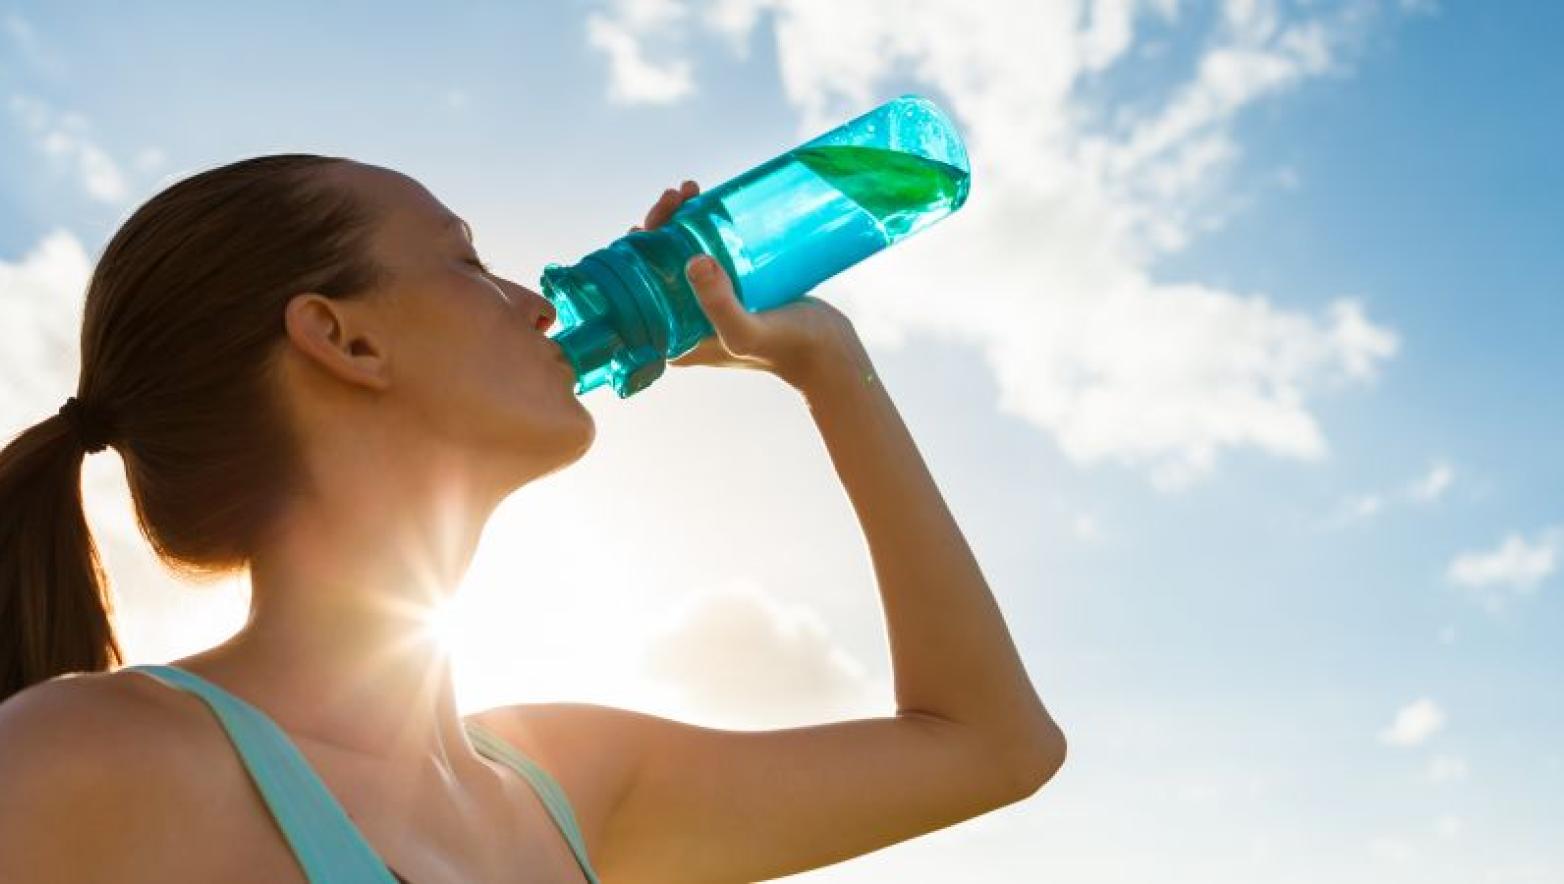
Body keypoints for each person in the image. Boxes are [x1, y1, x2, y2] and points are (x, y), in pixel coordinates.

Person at [0, 155, 1065, 882]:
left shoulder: (564, 782)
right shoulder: (91, 756)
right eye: (466, 261)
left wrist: (828, 366)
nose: (540, 299)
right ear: (344, 339)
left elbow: (994, 746)